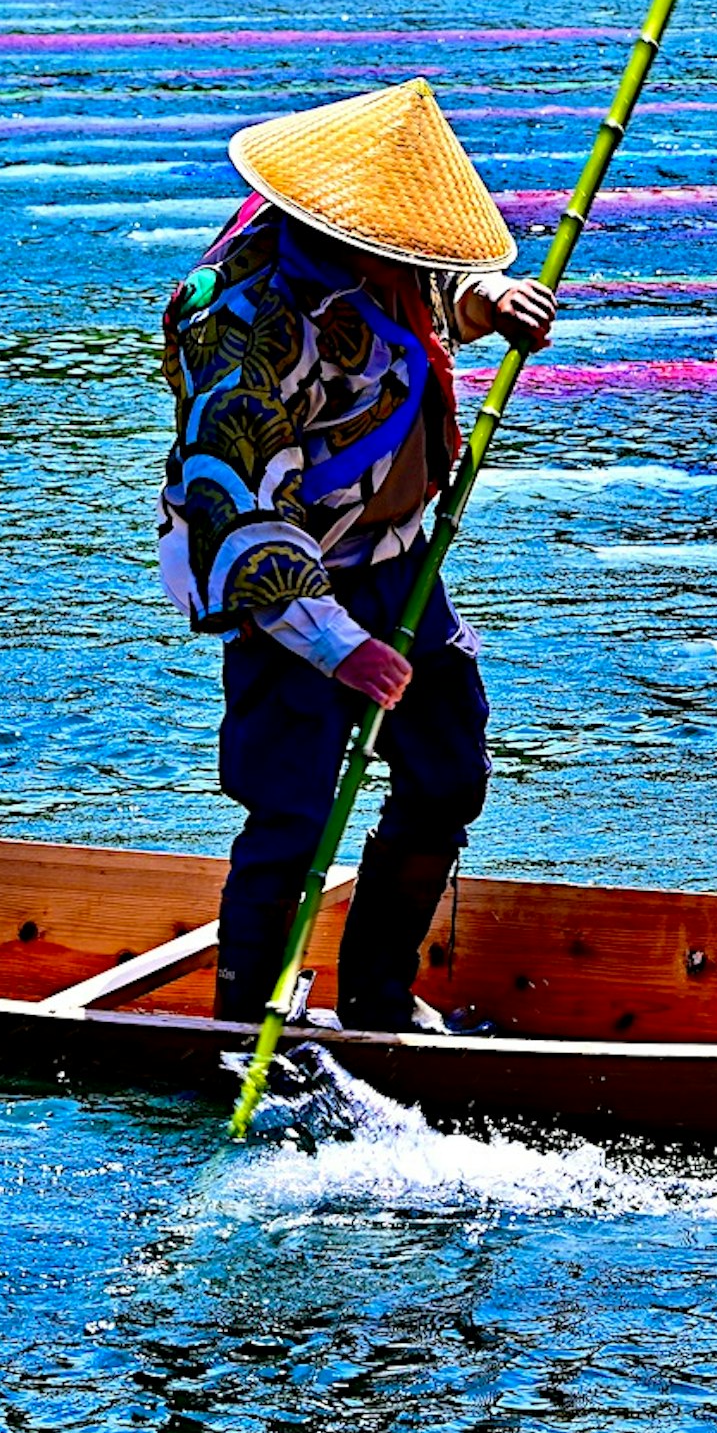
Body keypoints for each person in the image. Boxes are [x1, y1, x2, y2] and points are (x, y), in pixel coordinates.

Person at [157, 78, 558, 1034]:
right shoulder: (242, 330)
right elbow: (235, 510)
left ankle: (378, 991)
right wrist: (340, 646)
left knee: (447, 775)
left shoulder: (377, 257)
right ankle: (248, 1023)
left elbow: (417, 302)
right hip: (292, 600)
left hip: (399, 563)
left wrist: (487, 300)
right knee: (291, 814)